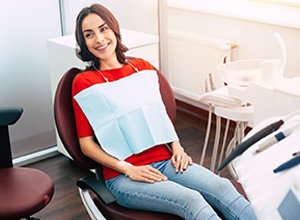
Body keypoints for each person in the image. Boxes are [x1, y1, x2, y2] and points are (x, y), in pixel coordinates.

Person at [71, 3, 257, 220]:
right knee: (192, 201)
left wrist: (177, 147)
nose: (99, 39)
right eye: (89, 34)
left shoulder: (143, 68)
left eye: (104, 29)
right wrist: (128, 168)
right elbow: (86, 144)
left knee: (222, 187)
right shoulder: (84, 82)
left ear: (114, 29)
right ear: (84, 42)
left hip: (167, 161)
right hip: (124, 176)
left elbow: (159, 115)